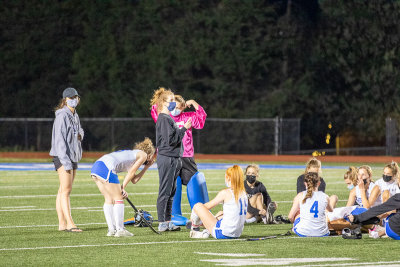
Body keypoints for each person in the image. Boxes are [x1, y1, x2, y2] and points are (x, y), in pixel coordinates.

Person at [150, 93, 208, 225]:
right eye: (173, 105)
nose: (177, 109)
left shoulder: (188, 116)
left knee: (194, 182)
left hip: (186, 156)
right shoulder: (164, 116)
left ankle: (200, 215)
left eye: (180, 108)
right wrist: (167, 98)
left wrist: (193, 102)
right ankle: (173, 216)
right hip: (169, 156)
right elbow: (154, 107)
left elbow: (201, 119)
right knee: (171, 186)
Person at [90, 138, 156, 237]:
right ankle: (120, 230)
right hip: (106, 167)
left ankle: (112, 230)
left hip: (96, 167)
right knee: (118, 198)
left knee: (109, 199)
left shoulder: (133, 156)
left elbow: (134, 180)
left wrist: (146, 167)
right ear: (149, 154)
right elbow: (131, 172)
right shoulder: (143, 155)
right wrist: (122, 187)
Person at [152, 87, 192, 232]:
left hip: (173, 158)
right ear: (163, 103)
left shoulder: (168, 118)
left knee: (171, 191)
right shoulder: (163, 118)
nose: (173, 103)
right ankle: (162, 222)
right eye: (171, 100)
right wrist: (184, 128)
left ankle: (168, 221)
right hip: (167, 158)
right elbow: (171, 140)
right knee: (165, 191)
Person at [50, 87, 84, 232]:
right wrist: (65, 162)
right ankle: (70, 223)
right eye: (70, 97)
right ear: (65, 100)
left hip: (73, 156)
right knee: (66, 190)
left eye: (75, 97)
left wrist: (79, 135)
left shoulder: (74, 114)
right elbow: (59, 141)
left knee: (62, 190)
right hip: (63, 157)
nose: (73, 99)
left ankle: (62, 224)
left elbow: (80, 130)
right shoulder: (62, 115)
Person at [189, 165, 248, 239]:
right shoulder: (243, 193)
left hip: (222, 233)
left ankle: (195, 228)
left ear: (229, 178)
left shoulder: (225, 193)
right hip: (237, 234)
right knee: (221, 213)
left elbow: (206, 207)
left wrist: (197, 216)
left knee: (197, 206)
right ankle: (205, 229)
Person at [288, 172, 334, 237]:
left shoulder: (300, 195)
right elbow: (331, 211)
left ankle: (296, 228)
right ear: (319, 183)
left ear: (305, 183)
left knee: (298, 212)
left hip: (303, 232)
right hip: (323, 233)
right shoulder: (325, 196)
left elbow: (290, 216)